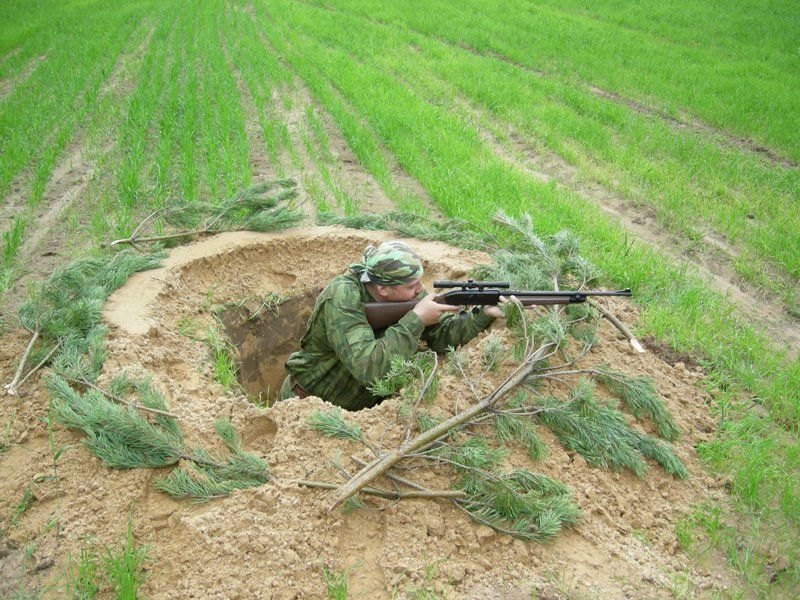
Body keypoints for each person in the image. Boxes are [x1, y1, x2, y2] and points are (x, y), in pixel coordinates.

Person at [277, 240, 504, 410]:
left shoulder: (405, 293)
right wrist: (415, 320)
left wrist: (483, 314)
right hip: (305, 407)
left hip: (358, 414)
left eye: (419, 282)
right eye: (411, 286)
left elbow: (443, 336)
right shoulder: (343, 296)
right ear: (383, 289)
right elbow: (368, 368)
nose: (419, 291)